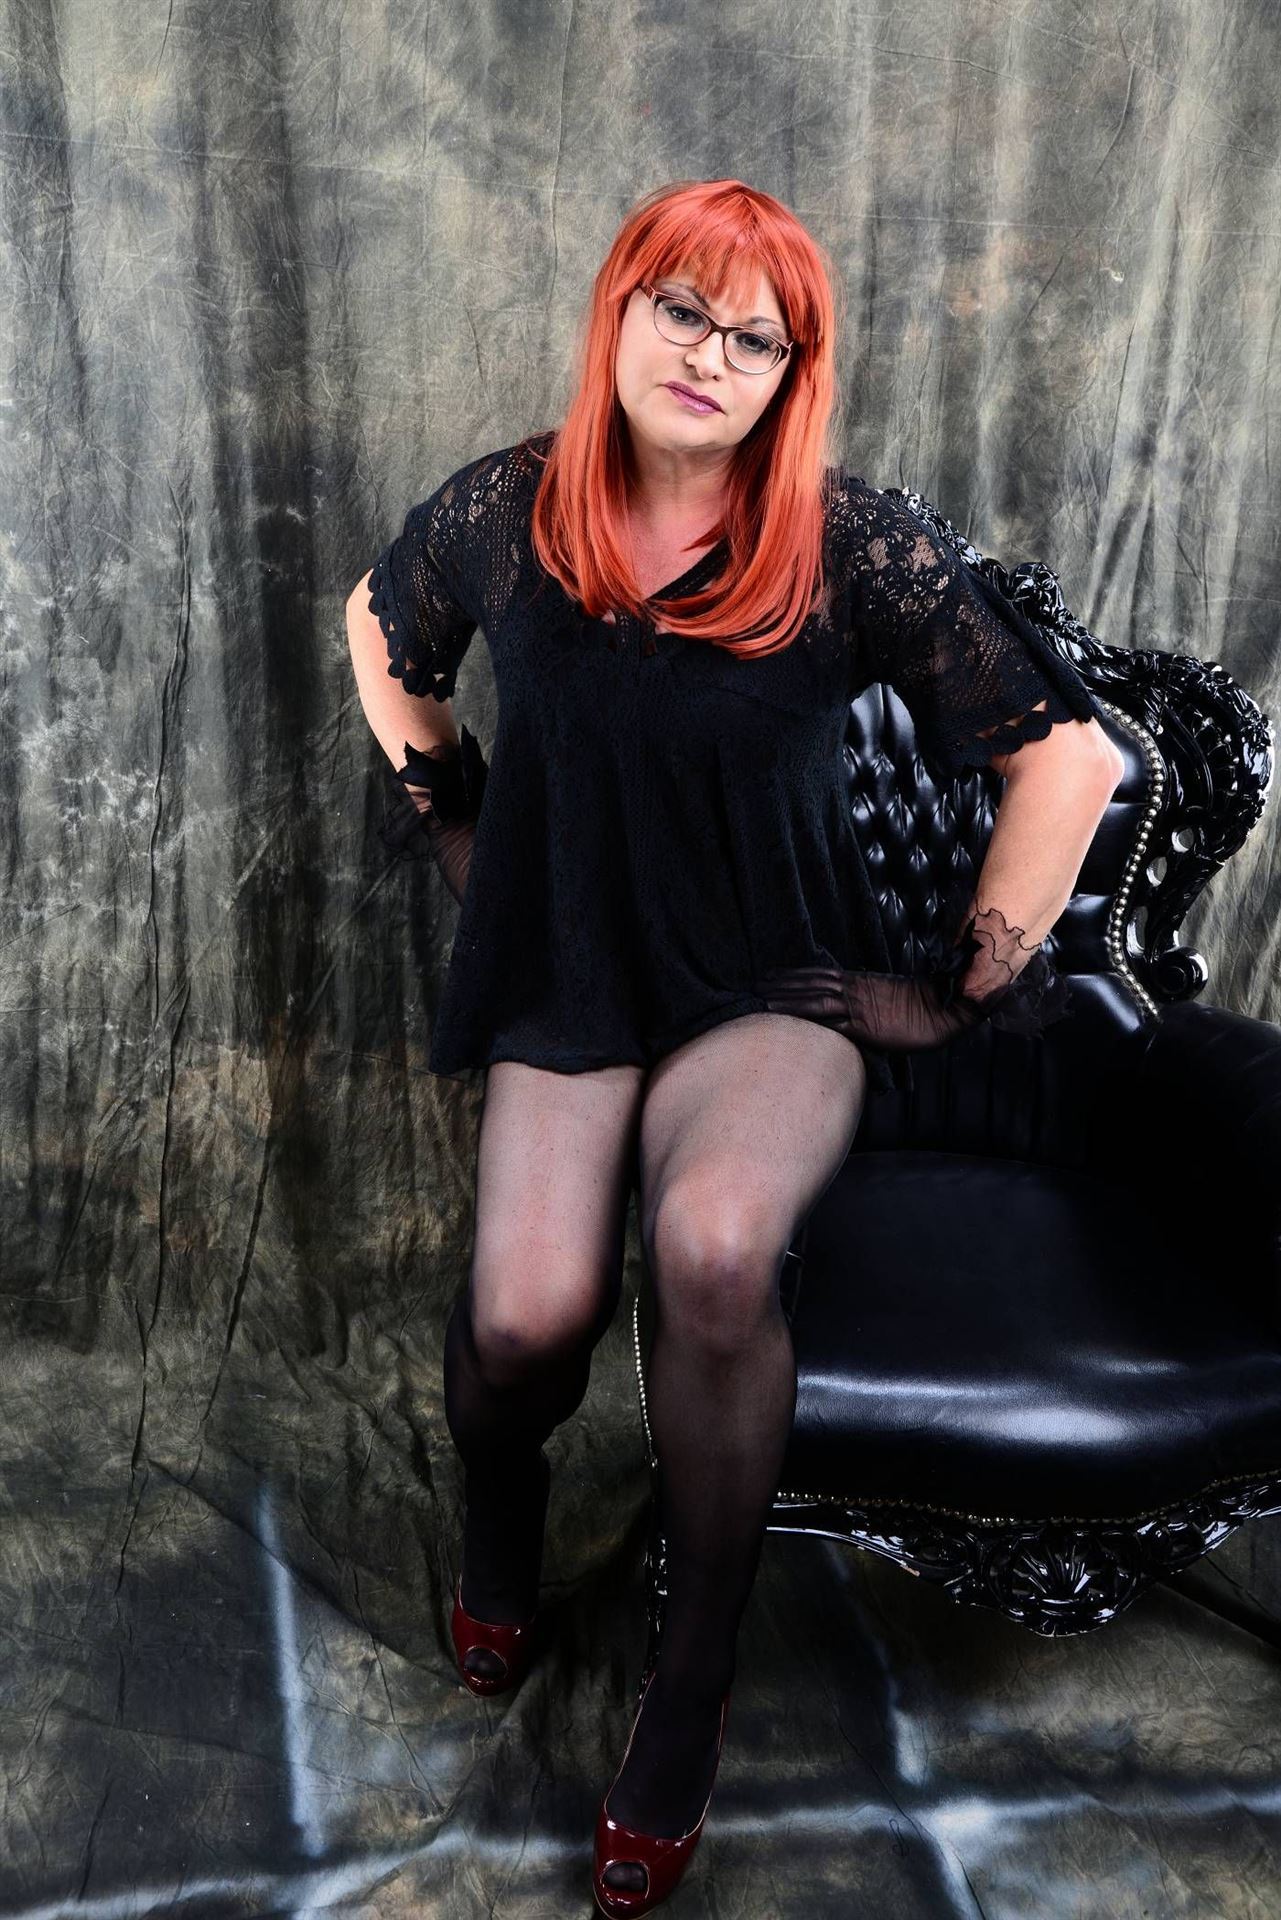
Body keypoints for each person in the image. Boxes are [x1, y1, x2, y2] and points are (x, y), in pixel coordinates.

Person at [345, 178, 1124, 1916]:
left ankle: (687, 1683)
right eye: (680, 311)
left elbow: (1065, 758)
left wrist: (962, 984)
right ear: (621, 313)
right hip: (569, 973)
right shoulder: (507, 510)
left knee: (709, 1252)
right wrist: (456, 817)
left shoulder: (846, 541)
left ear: (790, 373)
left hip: (768, 987)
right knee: (525, 1322)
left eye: (752, 338)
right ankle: (498, 1516)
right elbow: (379, 630)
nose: (709, 355)